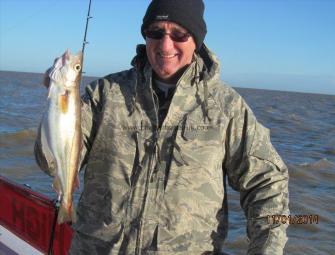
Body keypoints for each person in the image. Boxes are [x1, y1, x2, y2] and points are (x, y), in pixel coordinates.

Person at [35, 0, 289, 254]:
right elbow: (50, 164)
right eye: (156, 32)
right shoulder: (104, 94)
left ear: (197, 40)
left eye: (179, 34)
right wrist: (55, 102)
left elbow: (267, 185)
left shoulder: (226, 107)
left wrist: (266, 249)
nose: (166, 44)